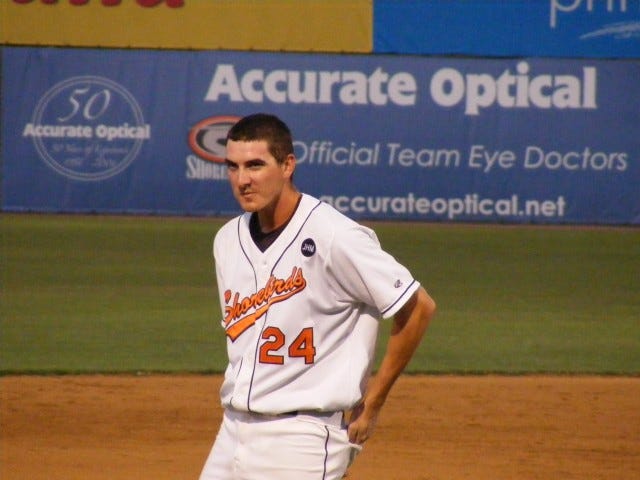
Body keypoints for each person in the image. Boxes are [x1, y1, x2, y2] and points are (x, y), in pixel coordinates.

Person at [199, 113, 436, 480]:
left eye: (255, 165)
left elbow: (418, 307)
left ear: (287, 165)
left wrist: (372, 403)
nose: (242, 180)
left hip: (301, 438)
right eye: (233, 167)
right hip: (231, 432)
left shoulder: (335, 236)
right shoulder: (227, 240)